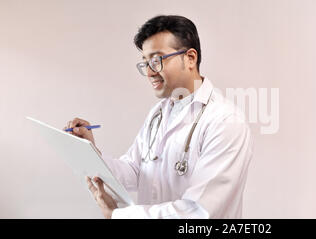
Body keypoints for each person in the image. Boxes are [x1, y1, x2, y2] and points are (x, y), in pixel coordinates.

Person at [63, 15, 253, 219]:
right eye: (145, 63)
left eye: (157, 60)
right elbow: (135, 170)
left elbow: (197, 212)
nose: (150, 72)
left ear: (190, 58)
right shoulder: (159, 113)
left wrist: (118, 215)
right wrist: (91, 154)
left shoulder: (224, 121)